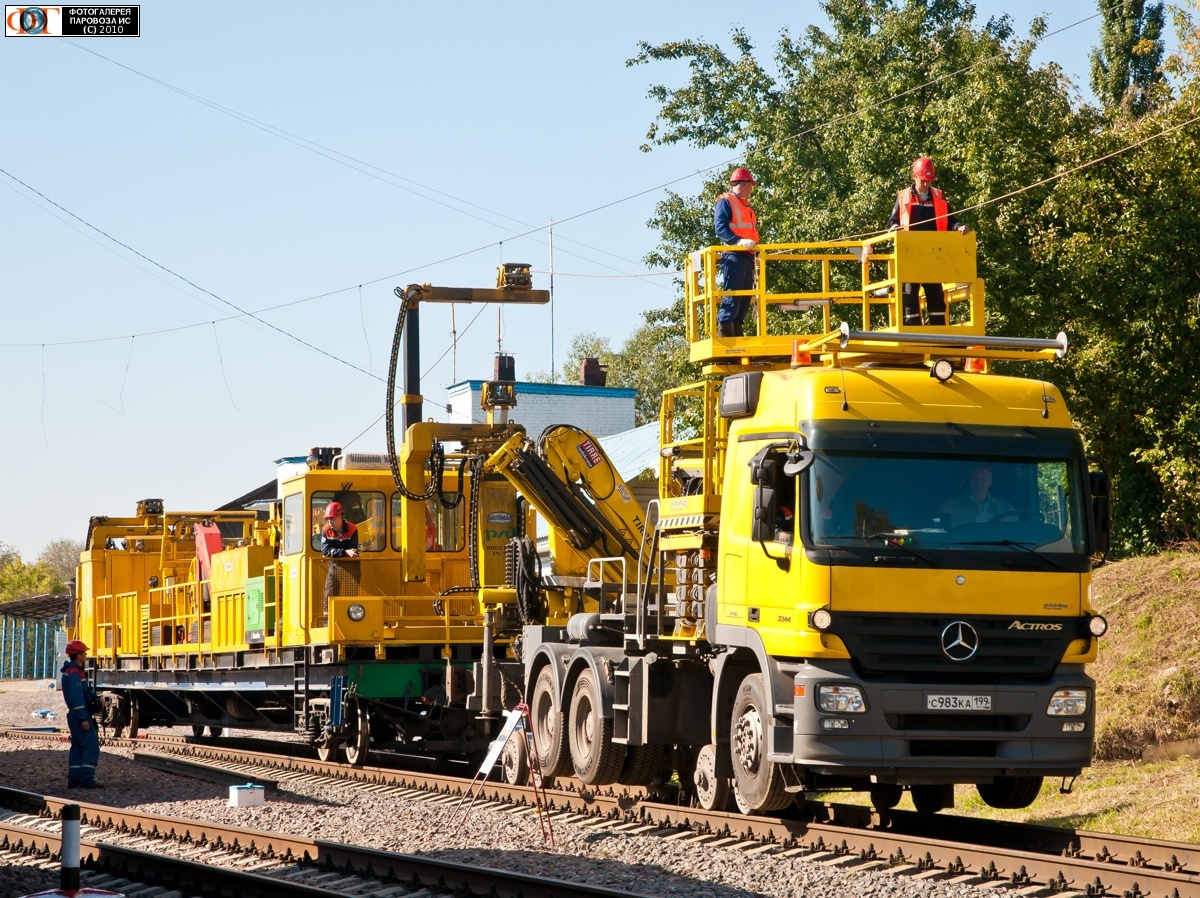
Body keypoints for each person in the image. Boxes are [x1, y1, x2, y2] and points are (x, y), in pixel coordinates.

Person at [887, 157, 970, 326]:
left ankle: (938, 330)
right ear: (913, 177)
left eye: (928, 180)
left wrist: (959, 227)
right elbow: (891, 222)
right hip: (910, 255)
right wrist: (895, 228)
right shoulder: (903, 196)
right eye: (922, 180)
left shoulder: (939, 196)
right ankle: (913, 331)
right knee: (909, 293)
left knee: (935, 293)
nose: (925, 184)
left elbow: (950, 220)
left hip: (933, 254)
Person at [713, 167, 760, 337]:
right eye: (751, 186)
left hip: (748, 256)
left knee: (744, 300)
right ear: (746, 185)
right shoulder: (725, 201)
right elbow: (720, 229)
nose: (751, 190)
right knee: (733, 296)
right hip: (733, 256)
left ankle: (737, 333)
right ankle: (725, 334)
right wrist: (738, 242)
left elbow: (751, 233)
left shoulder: (746, 207)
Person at [60, 640, 103, 789]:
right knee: (90, 747)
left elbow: (84, 692)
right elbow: (77, 698)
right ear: (78, 655)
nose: (86, 655)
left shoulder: (73, 671)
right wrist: (84, 719)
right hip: (79, 715)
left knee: (78, 747)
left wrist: (95, 698)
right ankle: (86, 780)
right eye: (84, 652)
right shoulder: (73, 673)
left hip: (75, 715)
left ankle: (74, 781)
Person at [321, 500, 359, 622]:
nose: (329, 522)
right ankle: (328, 622)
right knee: (329, 592)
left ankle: (351, 620)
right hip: (334, 566)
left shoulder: (352, 529)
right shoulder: (326, 530)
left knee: (351, 595)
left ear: (340, 516)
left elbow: (353, 550)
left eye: (332, 519)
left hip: (351, 567)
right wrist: (344, 552)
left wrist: (339, 552)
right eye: (328, 519)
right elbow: (326, 550)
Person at [941, 465, 1016, 526]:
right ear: (969, 481)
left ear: (989, 481)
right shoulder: (950, 506)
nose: (978, 482)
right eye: (975, 479)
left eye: (982, 478)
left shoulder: (1007, 508)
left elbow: (1015, 535)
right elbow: (940, 533)